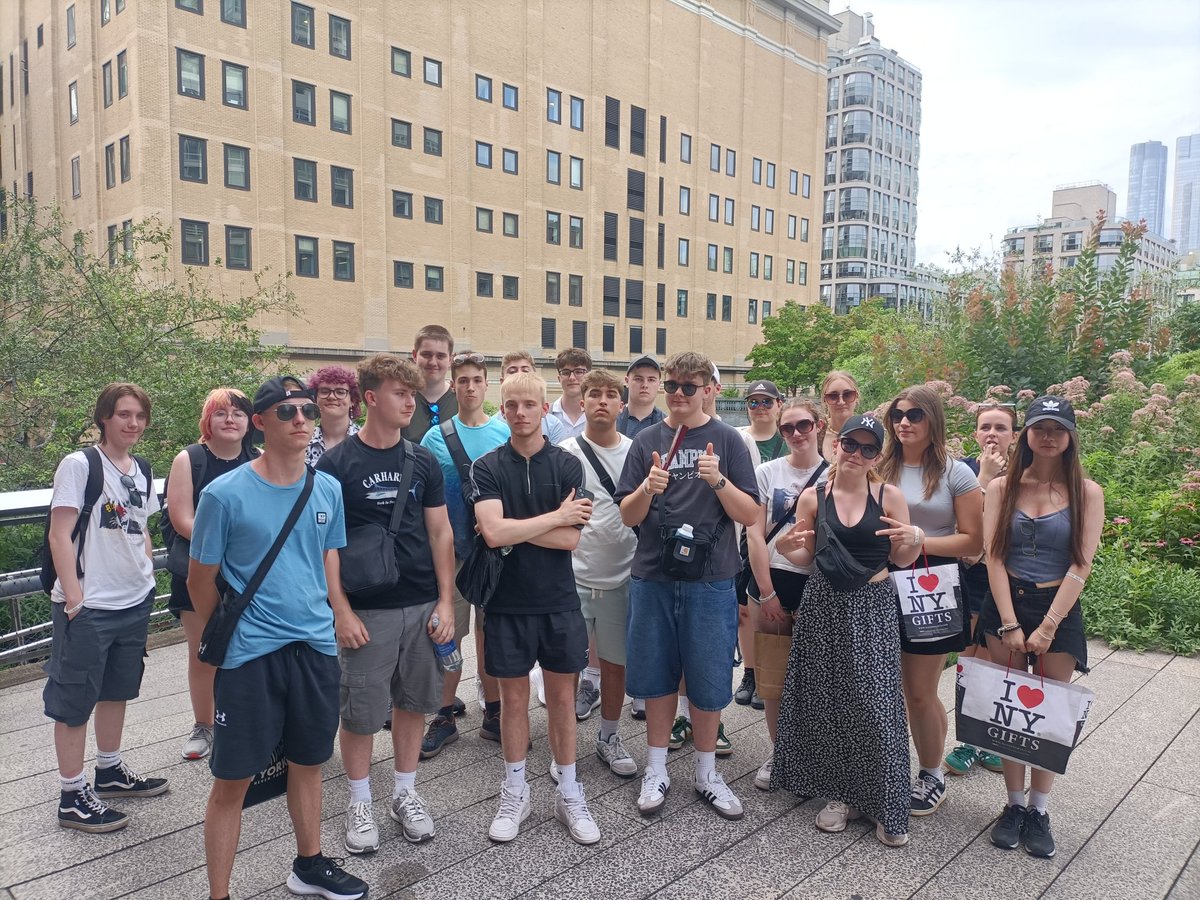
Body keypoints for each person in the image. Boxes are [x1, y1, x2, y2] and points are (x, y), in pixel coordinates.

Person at [189, 375, 367, 900]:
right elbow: (201, 581)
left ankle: (309, 864)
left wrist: (337, 613)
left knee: (309, 762)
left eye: (307, 410)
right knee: (233, 779)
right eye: (286, 412)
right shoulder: (223, 495)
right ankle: (219, 893)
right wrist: (232, 632)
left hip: (314, 648)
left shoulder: (326, 488)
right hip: (251, 656)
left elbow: (327, 557)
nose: (301, 419)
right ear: (260, 422)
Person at [317, 354, 456, 853]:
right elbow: (325, 545)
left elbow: (440, 532)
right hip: (365, 611)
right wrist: (340, 610)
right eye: (400, 393)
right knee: (359, 711)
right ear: (372, 398)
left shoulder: (422, 460)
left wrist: (446, 601)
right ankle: (359, 801)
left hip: (421, 603)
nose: (409, 402)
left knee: (413, 703)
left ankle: (404, 792)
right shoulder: (336, 464)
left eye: (412, 394)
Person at [616, 351, 759, 821]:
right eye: (673, 385)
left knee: (708, 675)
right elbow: (627, 515)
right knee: (656, 673)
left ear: (709, 390)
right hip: (653, 574)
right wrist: (647, 489)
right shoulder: (646, 441)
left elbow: (750, 513)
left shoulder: (728, 441)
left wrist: (718, 481)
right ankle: (656, 768)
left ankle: (706, 772)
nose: (679, 394)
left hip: (711, 578)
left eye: (689, 387)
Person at [769, 413, 921, 847]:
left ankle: (885, 801)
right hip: (824, 604)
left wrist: (915, 537)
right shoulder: (813, 498)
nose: (857, 453)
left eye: (868, 448)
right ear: (837, 445)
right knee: (831, 699)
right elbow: (807, 558)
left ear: (878, 455)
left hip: (873, 605)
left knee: (878, 703)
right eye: (851, 444)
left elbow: (902, 560)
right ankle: (840, 795)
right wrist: (785, 549)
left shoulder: (889, 495)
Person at [469, 372, 601, 845]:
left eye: (529, 404)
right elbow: (492, 533)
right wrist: (553, 517)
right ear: (502, 409)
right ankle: (515, 791)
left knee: (563, 700)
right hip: (505, 602)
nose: (520, 412)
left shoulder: (567, 465)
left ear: (545, 409)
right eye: (512, 405)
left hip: (558, 600)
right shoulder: (486, 466)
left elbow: (569, 540)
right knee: (513, 701)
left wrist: (515, 527)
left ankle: (569, 791)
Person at [979, 396, 1103, 859]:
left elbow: (1082, 563)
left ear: (1070, 436)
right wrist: (1009, 621)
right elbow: (993, 556)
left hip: (1059, 605)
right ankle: (1013, 804)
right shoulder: (1002, 487)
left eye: (1057, 429)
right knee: (1010, 708)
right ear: (1026, 434)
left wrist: (1049, 625)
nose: (1048, 436)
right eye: (1039, 428)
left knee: (1049, 711)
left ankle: (1039, 809)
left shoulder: (1087, 492)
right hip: (1006, 600)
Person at [45, 383, 168, 833]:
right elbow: (60, 533)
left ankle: (110, 770)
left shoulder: (142, 468)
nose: (133, 423)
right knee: (74, 699)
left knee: (117, 689)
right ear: (104, 417)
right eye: (123, 414)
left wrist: (146, 575)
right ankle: (72, 795)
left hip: (133, 599)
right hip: (90, 605)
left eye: (139, 416)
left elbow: (141, 527)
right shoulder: (80, 465)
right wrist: (75, 598)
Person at [878, 385, 983, 817]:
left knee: (920, 692)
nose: (904, 422)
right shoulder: (878, 466)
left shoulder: (956, 473)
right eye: (898, 415)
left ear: (933, 419)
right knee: (884, 689)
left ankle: (931, 774)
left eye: (915, 415)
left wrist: (920, 538)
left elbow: (973, 541)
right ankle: (884, 767)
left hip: (931, 585)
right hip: (879, 583)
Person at [419, 351, 510, 755]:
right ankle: (443, 715)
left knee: (491, 634)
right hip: (450, 554)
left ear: (487, 384)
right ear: (453, 386)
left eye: (477, 380)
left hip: (494, 554)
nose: (470, 387)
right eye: (463, 381)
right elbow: (425, 499)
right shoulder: (434, 438)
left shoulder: (504, 433)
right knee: (447, 633)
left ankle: (494, 712)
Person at [165, 388, 259, 762]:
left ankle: (244, 721)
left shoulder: (259, 460)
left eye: (238, 413)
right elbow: (182, 519)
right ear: (208, 420)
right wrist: (228, 543)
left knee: (251, 649)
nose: (230, 419)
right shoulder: (190, 459)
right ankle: (204, 725)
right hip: (199, 570)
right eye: (221, 413)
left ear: (250, 421)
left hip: (246, 573)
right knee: (203, 652)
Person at [557, 370, 639, 778]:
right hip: (571, 574)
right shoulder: (564, 452)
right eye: (594, 394)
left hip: (622, 574)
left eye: (610, 395)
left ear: (622, 404)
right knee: (566, 665)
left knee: (614, 663)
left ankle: (609, 735)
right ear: (582, 401)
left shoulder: (636, 451)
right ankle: (564, 745)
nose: (602, 401)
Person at [744, 399, 826, 790]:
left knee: (815, 678)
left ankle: (812, 755)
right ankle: (780, 753)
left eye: (803, 425)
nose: (796, 434)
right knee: (773, 676)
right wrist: (766, 592)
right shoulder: (767, 472)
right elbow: (754, 534)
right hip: (773, 579)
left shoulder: (835, 474)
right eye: (787, 428)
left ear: (819, 426)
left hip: (817, 584)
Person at [944, 400, 1019, 776]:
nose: (992, 434)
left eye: (1000, 427)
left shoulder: (1025, 473)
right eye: (985, 427)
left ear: (1014, 436)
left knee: (998, 662)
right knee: (970, 660)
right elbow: (964, 529)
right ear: (975, 433)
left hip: (1009, 579)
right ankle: (968, 741)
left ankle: (990, 738)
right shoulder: (964, 472)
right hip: (970, 578)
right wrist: (985, 479)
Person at [733, 379, 787, 711]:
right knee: (744, 608)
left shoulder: (792, 435)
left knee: (778, 608)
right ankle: (750, 673)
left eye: (767, 401)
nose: (761, 408)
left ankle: (774, 672)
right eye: (754, 402)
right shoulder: (738, 439)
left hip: (783, 535)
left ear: (779, 404)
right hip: (746, 532)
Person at [496, 351, 567, 445]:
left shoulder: (553, 425)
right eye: (512, 372)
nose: (519, 375)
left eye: (525, 371)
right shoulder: (493, 426)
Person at [403, 324, 459, 442]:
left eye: (440, 356)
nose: (433, 362)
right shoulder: (400, 400)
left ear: (450, 359)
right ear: (414, 355)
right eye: (426, 355)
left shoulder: (461, 402)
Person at [305, 365, 361, 466]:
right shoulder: (303, 442)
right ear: (315, 399)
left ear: (352, 400)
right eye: (324, 391)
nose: (331, 397)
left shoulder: (366, 442)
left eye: (340, 392)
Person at [617, 355, 665, 437]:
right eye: (638, 379)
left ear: (659, 384)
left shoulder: (667, 426)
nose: (645, 385)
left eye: (651, 380)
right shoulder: (612, 421)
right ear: (627, 381)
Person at [548, 348, 591, 439]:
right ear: (559, 378)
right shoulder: (546, 416)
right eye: (566, 372)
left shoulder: (598, 415)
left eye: (578, 372)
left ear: (589, 377)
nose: (572, 378)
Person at [819, 370, 860, 461]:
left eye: (847, 395)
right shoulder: (815, 435)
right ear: (825, 400)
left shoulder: (870, 434)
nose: (841, 402)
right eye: (833, 396)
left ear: (856, 397)